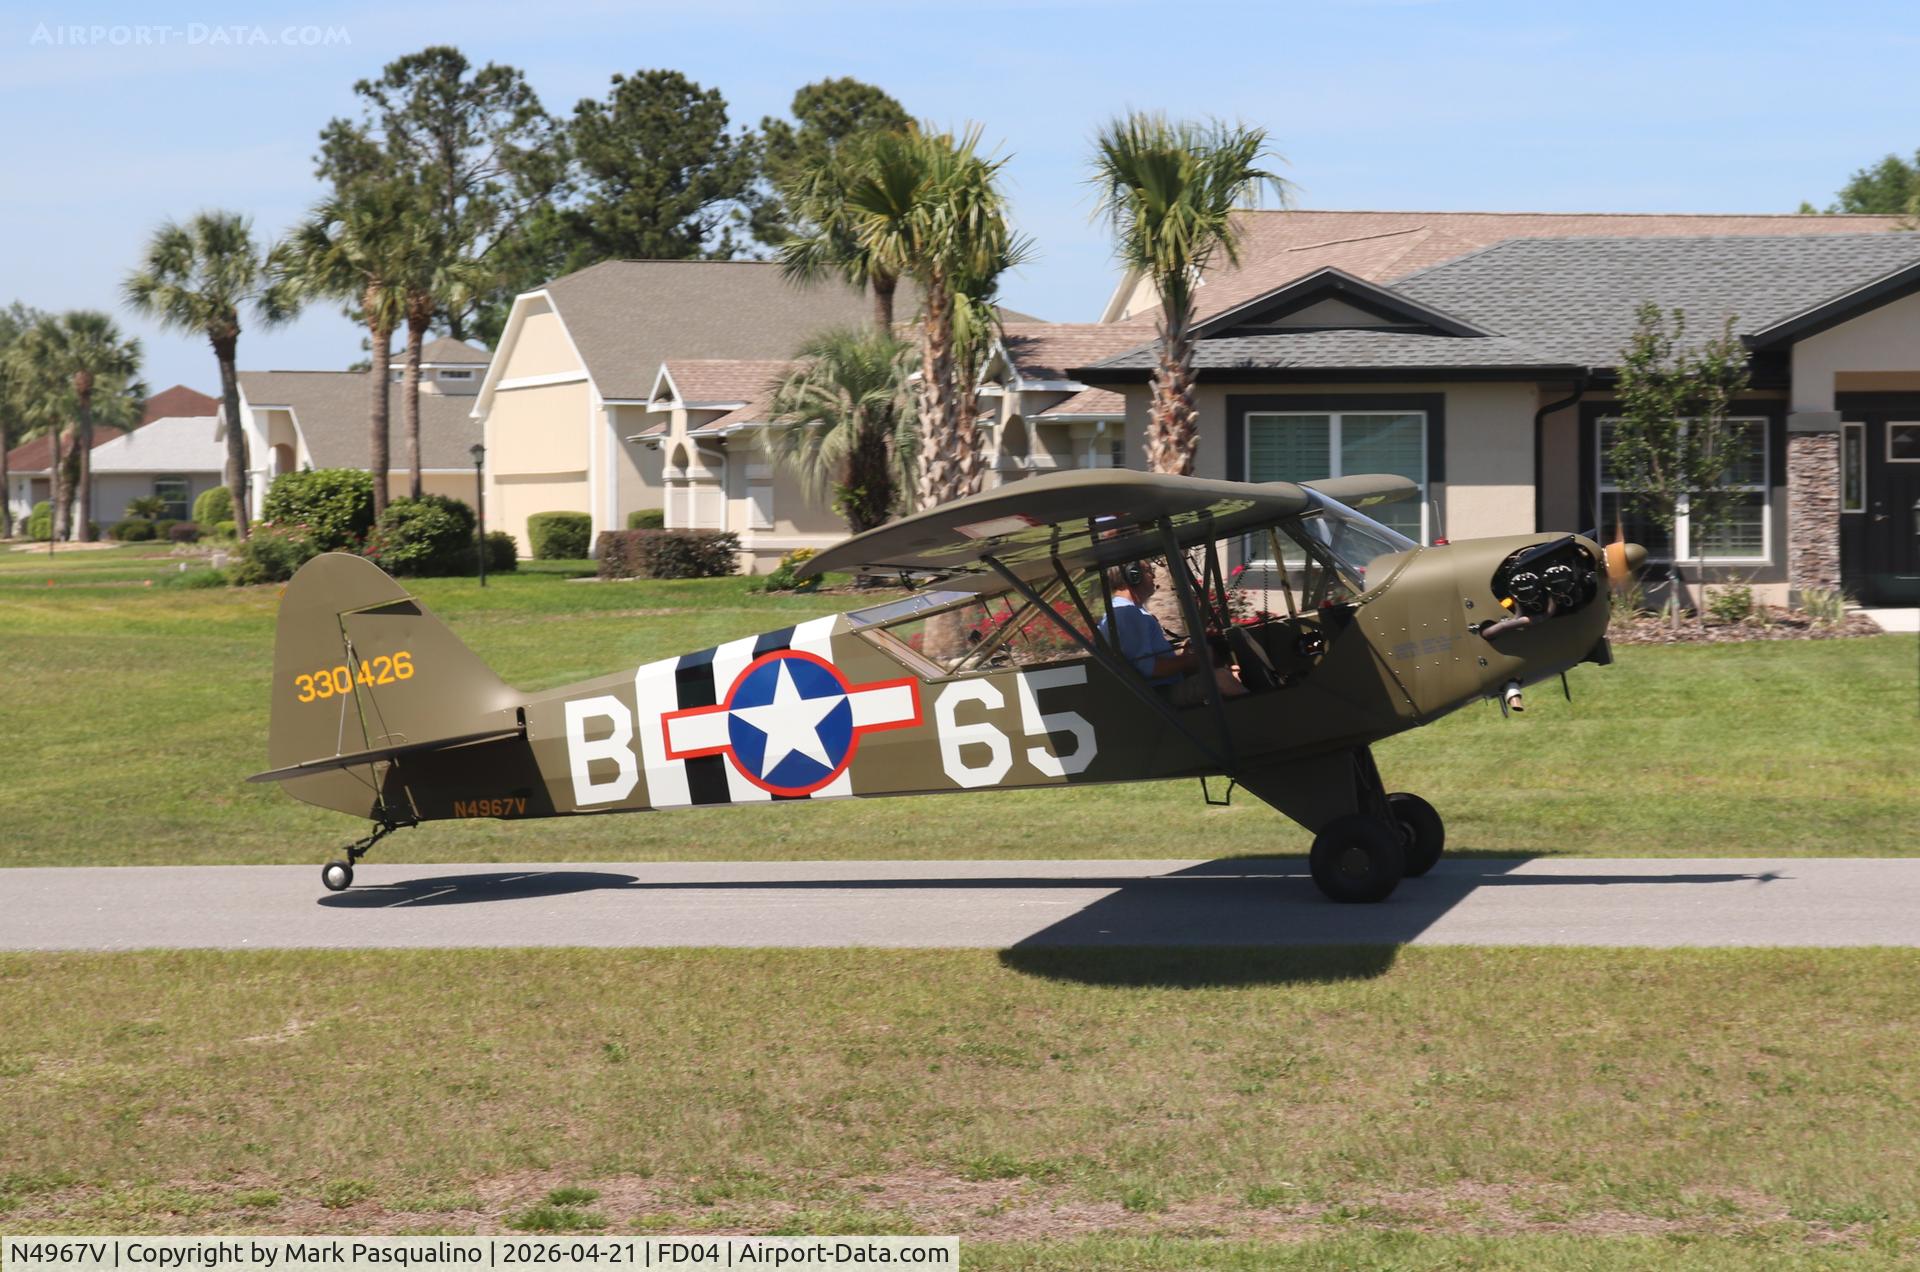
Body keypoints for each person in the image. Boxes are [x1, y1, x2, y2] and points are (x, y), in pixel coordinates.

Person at [1096, 561, 1247, 707]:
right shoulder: (1128, 614)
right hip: (1158, 696)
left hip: (1157, 690)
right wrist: (1190, 660)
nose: (1153, 576)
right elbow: (1150, 669)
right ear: (1133, 576)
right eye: (1149, 571)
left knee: (1225, 672)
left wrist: (1183, 653)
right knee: (1221, 678)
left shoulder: (1126, 611)